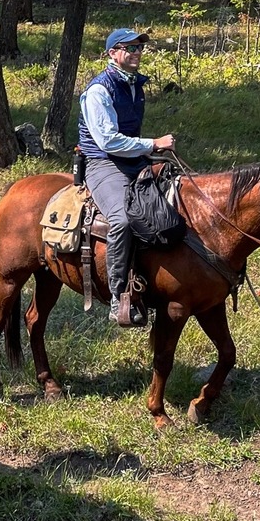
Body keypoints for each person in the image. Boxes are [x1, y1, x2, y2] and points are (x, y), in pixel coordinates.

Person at [77, 29, 176, 328]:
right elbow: (107, 141)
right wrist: (153, 144)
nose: (136, 52)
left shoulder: (135, 86)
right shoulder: (99, 90)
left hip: (133, 161)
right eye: (129, 47)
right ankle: (119, 295)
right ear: (112, 53)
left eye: (139, 48)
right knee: (121, 219)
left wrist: (148, 152)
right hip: (102, 163)